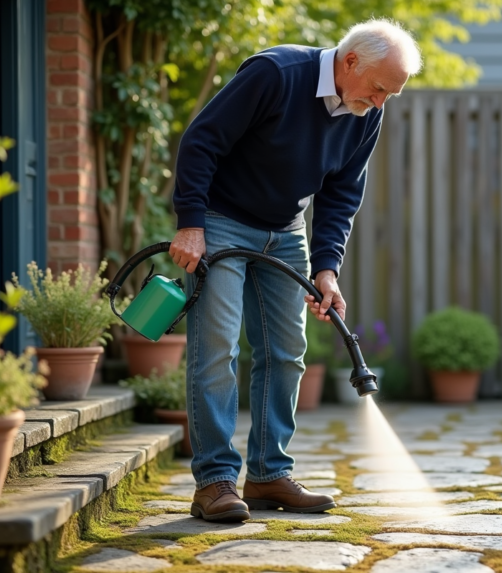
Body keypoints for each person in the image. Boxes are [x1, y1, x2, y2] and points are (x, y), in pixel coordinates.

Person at [168, 19, 422, 523]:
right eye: (378, 89)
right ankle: (215, 482)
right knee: (217, 348)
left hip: (285, 231)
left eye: (390, 95)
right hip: (222, 221)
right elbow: (202, 141)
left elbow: (341, 192)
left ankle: (267, 473)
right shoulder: (276, 73)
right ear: (350, 61)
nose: (380, 104)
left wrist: (327, 267)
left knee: (287, 352)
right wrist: (191, 224)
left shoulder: (363, 112)